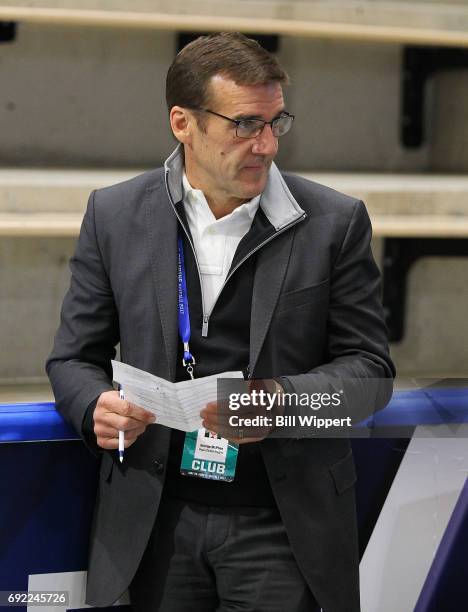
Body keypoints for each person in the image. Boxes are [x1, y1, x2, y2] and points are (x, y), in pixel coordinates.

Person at [46, 32, 394, 612]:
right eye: (245, 125)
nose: (266, 145)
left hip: (282, 525)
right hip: (152, 520)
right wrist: (93, 408)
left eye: (276, 123)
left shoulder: (336, 222)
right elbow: (71, 360)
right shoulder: (113, 214)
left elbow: (371, 377)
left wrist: (282, 403)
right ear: (183, 123)